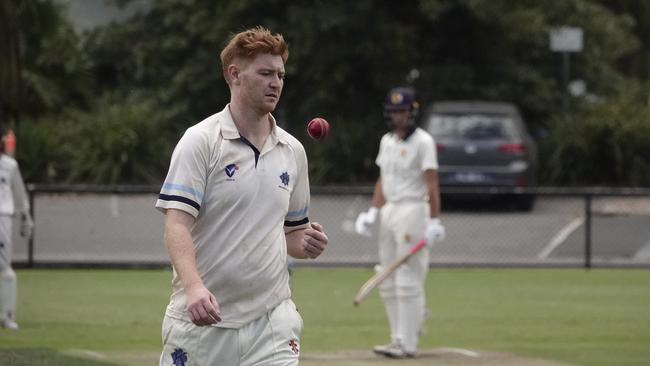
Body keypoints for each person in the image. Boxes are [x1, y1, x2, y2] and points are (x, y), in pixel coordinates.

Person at [155, 26, 328, 366]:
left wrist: (306, 244)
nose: (276, 82)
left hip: (272, 322)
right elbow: (176, 225)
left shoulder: (292, 151)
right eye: (265, 73)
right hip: (203, 320)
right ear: (234, 74)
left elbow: (292, 234)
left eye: (280, 74)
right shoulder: (201, 141)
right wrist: (193, 288)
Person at [354, 87, 445, 358]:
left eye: (403, 111)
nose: (399, 116)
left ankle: (409, 342)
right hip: (390, 211)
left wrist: (434, 221)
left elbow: (432, 184)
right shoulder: (387, 141)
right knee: (387, 277)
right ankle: (397, 338)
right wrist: (373, 211)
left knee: (407, 279)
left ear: (412, 112)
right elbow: (383, 179)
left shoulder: (423, 142)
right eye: (394, 112)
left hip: (413, 210)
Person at [0, 126, 33, 330]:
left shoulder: (9, 165)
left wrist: (26, 217)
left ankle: (6, 315)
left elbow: (20, 193)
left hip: (2, 218)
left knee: (5, 269)